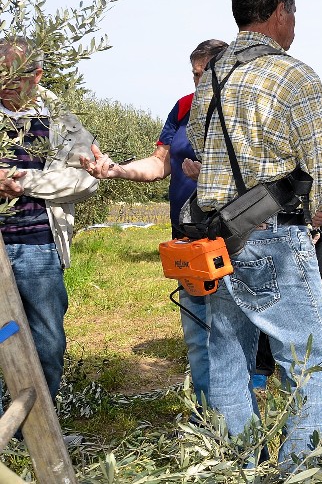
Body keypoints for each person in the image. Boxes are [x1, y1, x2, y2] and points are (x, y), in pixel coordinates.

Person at [187, 0, 322, 462]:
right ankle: (297, 468)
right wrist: (318, 216)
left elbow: (199, 150)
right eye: (293, 13)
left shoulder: (211, 77)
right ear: (278, 14)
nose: (294, 25)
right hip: (276, 234)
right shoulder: (295, 75)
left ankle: (239, 467)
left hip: (219, 239)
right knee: (307, 368)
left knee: (228, 361)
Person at [81, 39, 227, 405]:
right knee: (197, 334)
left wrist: (208, 174)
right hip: (187, 239)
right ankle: (207, 419)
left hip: (230, 240)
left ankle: (237, 421)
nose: (196, 82)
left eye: (203, 74)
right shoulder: (182, 108)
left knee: (230, 336)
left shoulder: (237, 109)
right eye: (193, 74)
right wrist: (116, 170)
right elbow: (161, 163)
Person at [0, 37, 98, 405]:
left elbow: (86, 179)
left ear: (37, 75)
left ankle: (37, 429)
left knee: (48, 341)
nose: (6, 80)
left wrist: (23, 182)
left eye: (15, 73)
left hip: (39, 246)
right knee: (2, 336)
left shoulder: (59, 121)